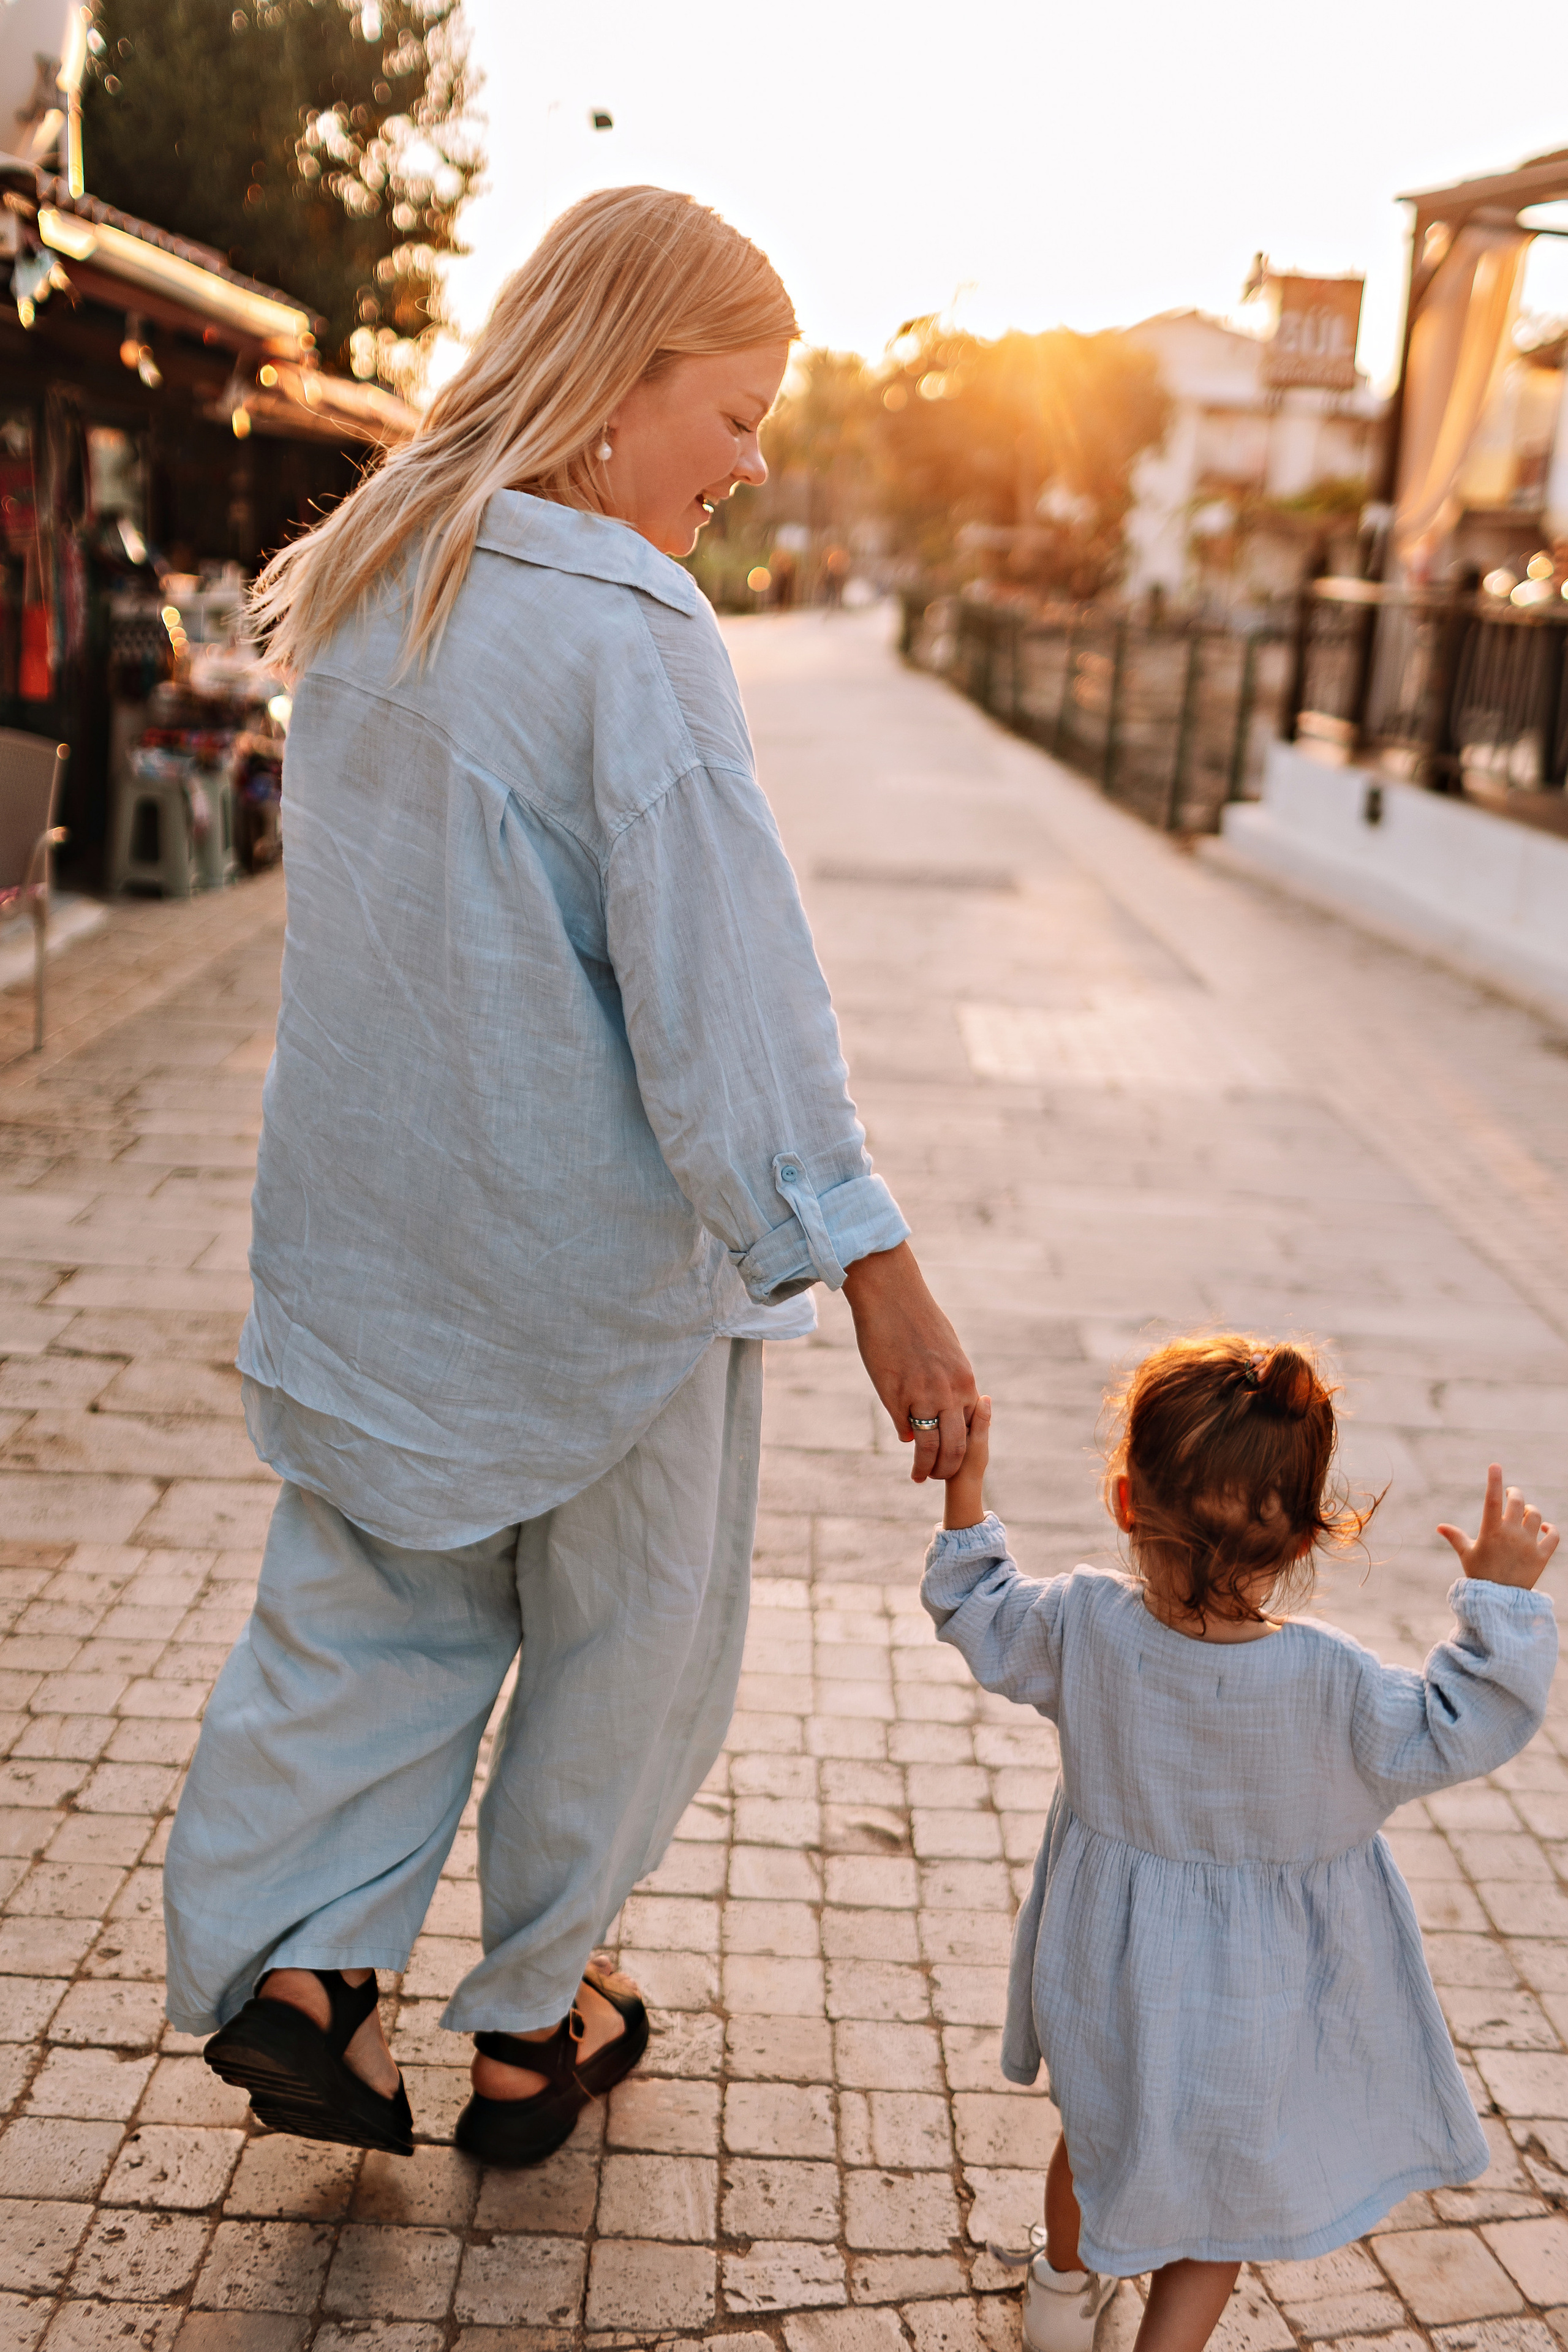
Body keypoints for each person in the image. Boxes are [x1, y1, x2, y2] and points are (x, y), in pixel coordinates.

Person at [162, 186, 977, 2170]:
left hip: (375, 1244)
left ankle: (308, 1976)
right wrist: (863, 1252)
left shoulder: (377, 583)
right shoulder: (633, 632)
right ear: (619, 387)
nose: (754, 460)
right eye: (737, 411)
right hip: (602, 1268)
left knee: (365, 1624)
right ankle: (535, 2020)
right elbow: (720, 982)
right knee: (628, 1642)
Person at [921, 1333, 1558, 2352]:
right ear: (1305, 1540)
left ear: (1127, 1501)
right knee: (1216, 2210)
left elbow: (977, 1608)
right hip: (1255, 2000)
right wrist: (1504, 1602)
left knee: (1097, 2135)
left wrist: (969, 1484)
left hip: (1107, 1970)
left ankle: (1057, 2296)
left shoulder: (1084, 1625)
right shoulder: (1338, 1687)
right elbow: (1463, 1721)